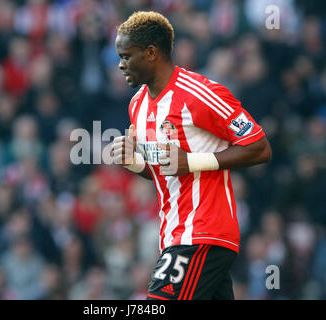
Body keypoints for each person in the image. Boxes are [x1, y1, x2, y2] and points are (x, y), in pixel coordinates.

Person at [111, 11, 272, 300]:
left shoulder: (199, 94)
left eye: (126, 56)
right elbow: (163, 170)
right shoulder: (137, 105)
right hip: (174, 233)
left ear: (151, 53)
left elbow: (259, 147)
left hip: (202, 232)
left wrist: (193, 161)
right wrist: (134, 162)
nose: (121, 65)